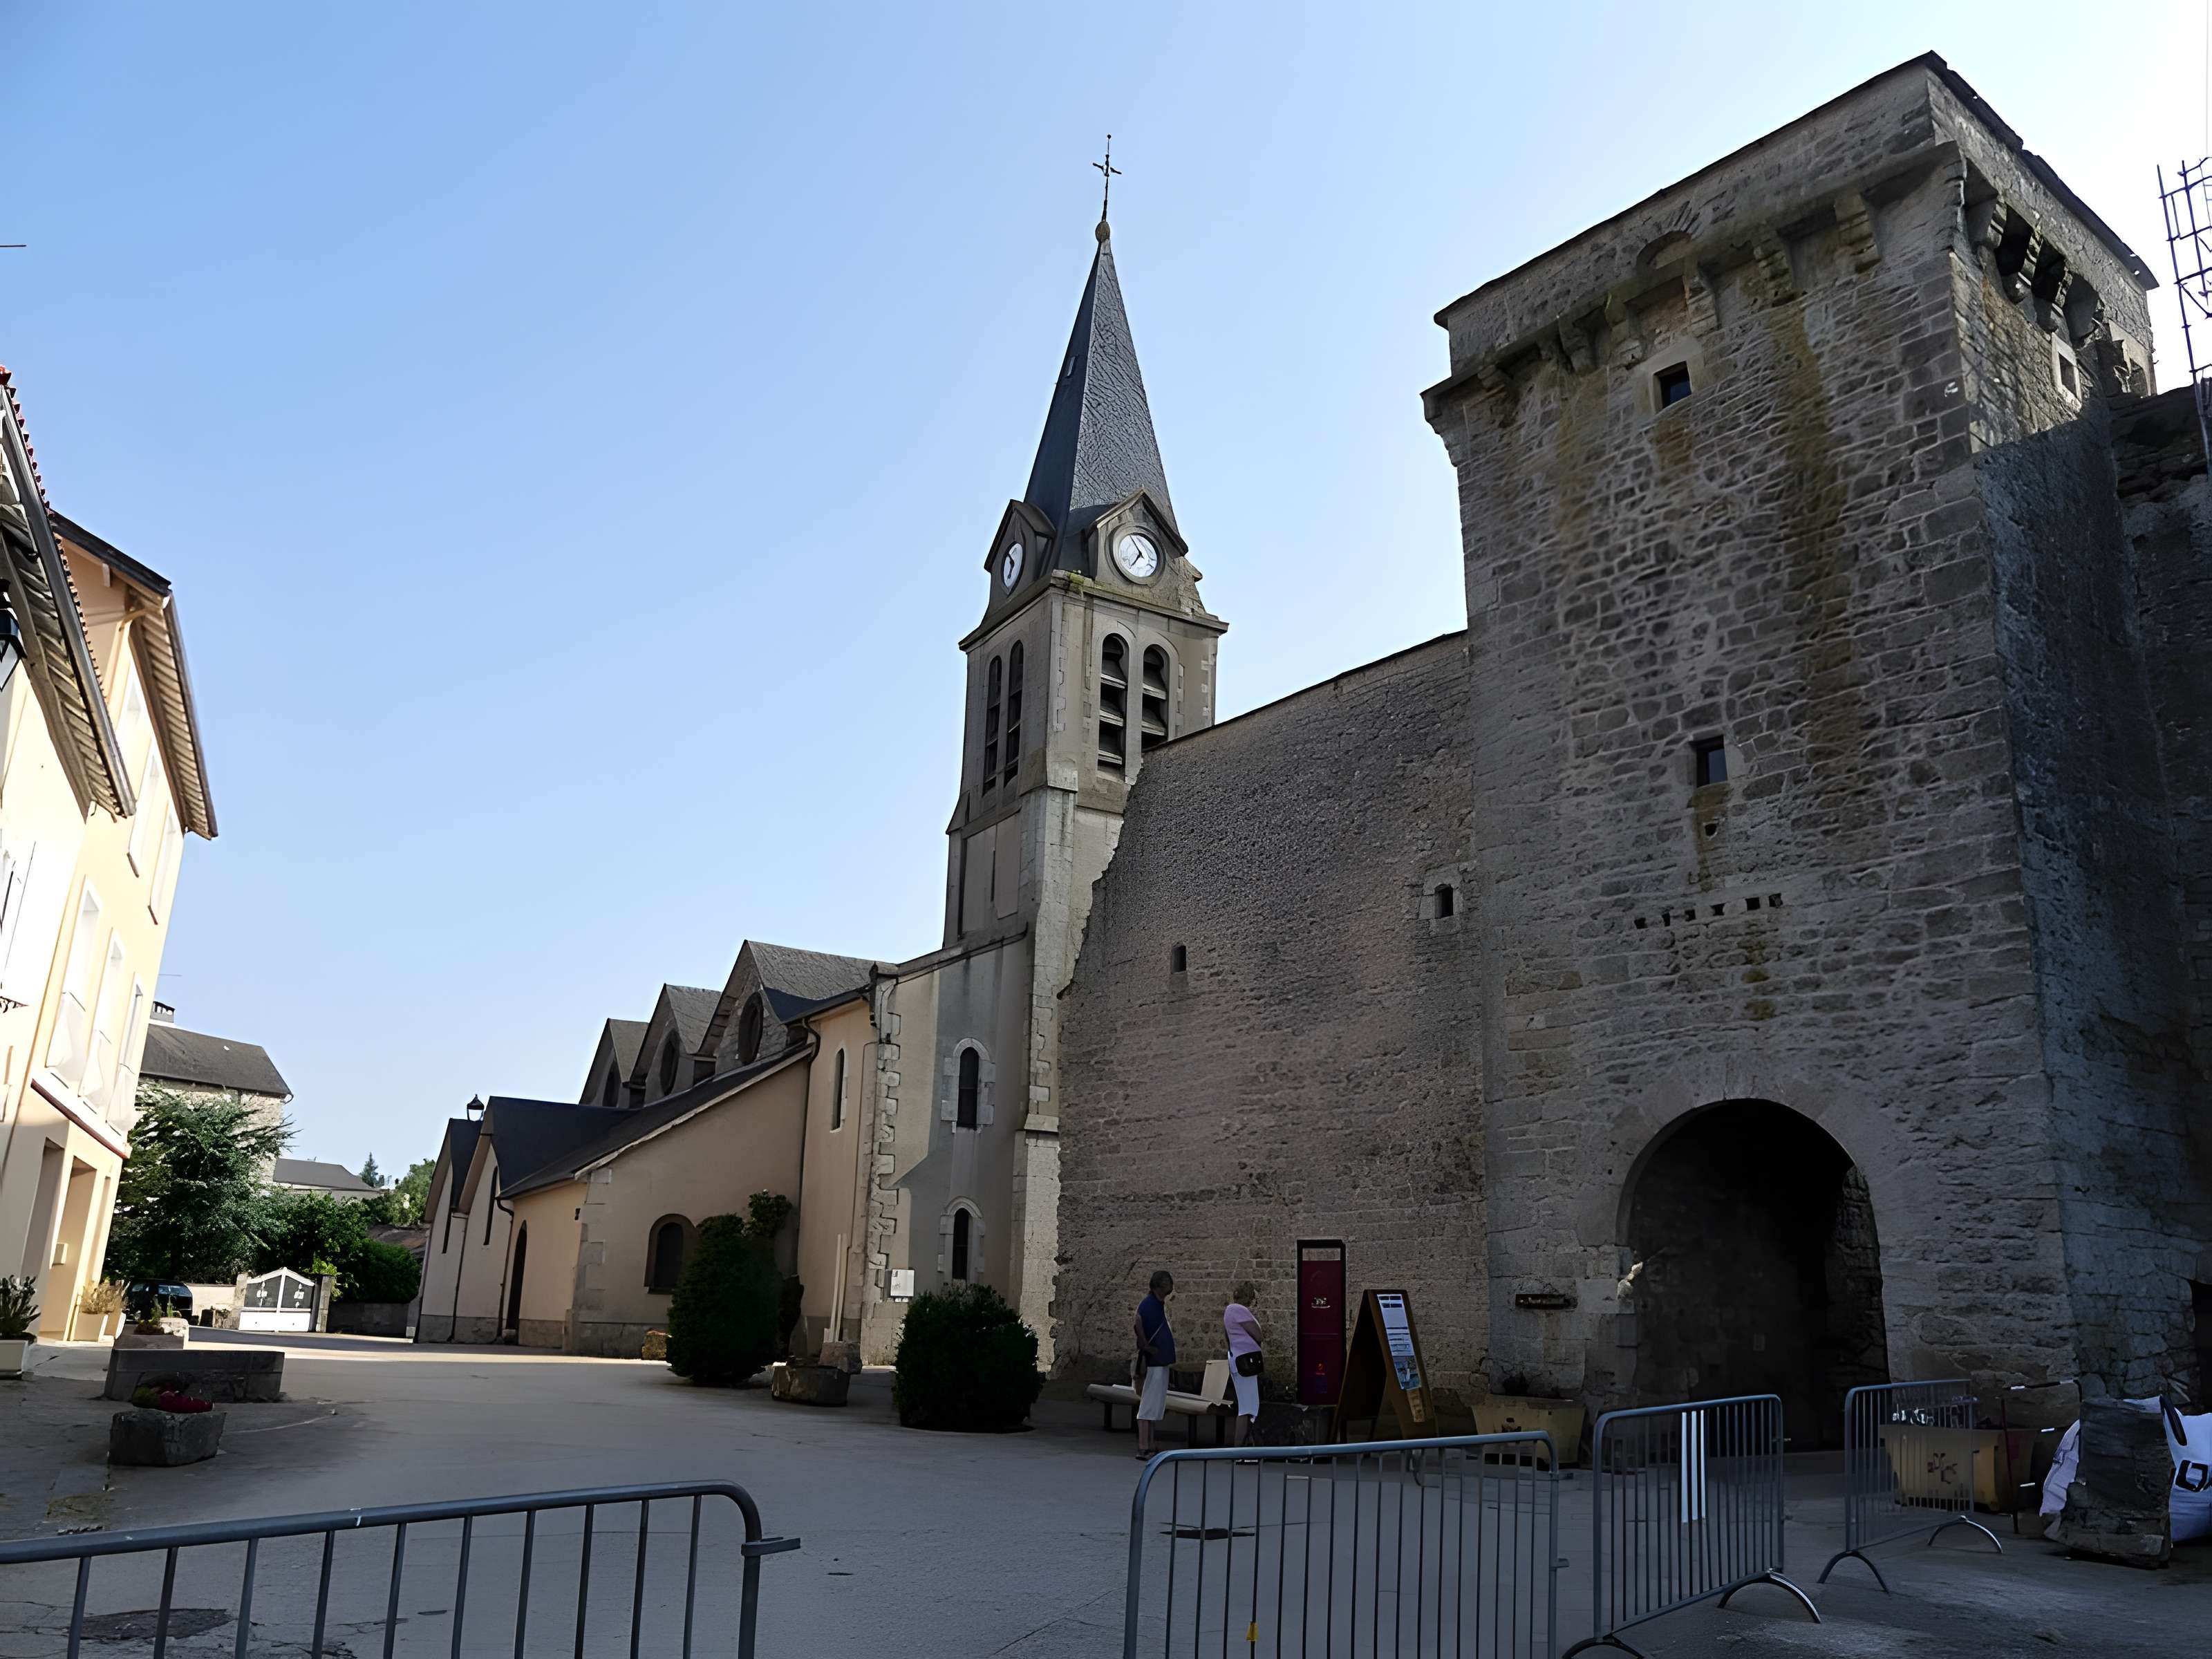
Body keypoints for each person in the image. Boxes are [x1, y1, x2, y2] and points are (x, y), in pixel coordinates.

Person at [1133, 1270, 1176, 1459]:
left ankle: (1150, 1444)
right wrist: (1149, 1349)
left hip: (1159, 1361)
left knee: (1154, 1405)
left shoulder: (1155, 1304)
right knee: (1148, 1406)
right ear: (1160, 1286)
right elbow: (1138, 1323)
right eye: (1168, 1283)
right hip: (1154, 1363)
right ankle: (1144, 1447)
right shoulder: (1149, 1305)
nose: (1171, 1286)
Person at [1224, 1282, 1263, 1446]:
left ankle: (1245, 1446)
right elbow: (1258, 1334)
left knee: (1247, 1406)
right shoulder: (1238, 1310)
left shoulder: (1228, 1311)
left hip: (1236, 1358)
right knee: (1248, 1408)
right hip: (1245, 1362)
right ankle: (1240, 1449)